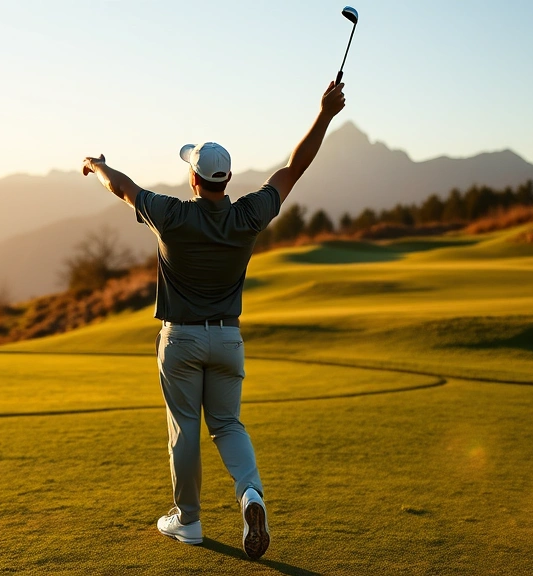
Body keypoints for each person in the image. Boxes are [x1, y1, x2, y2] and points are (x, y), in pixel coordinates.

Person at [82, 81, 346, 559]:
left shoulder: (173, 216)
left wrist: (96, 164)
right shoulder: (250, 214)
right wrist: (325, 114)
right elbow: (294, 167)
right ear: (226, 179)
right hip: (228, 340)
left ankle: (189, 520)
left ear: (195, 180)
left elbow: (122, 187)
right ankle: (250, 495)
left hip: (180, 341)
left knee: (185, 426)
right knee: (227, 424)